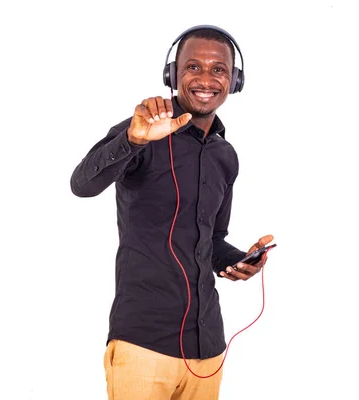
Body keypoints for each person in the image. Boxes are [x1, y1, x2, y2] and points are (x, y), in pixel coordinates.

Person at [70, 24, 274, 400]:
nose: (206, 79)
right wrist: (131, 139)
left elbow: (212, 240)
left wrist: (241, 260)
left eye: (219, 70)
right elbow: (82, 185)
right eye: (193, 67)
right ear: (172, 75)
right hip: (142, 345)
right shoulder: (142, 131)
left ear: (235, 80)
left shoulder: (225, 156)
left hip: (207, 349)